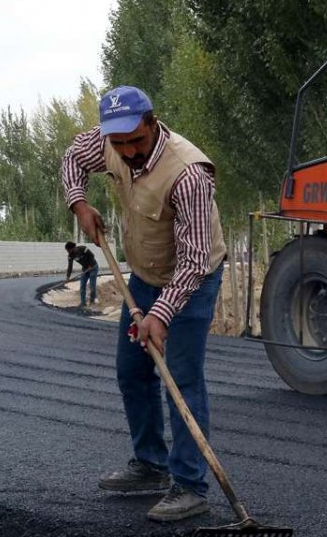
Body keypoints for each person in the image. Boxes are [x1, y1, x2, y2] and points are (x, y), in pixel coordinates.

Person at [61, 85, 225, 523]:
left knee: (182, 379)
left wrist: (161, 314)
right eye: (119, 143)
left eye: (136, 140)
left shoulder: (188, 174)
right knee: (132, 371)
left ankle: (190, 485)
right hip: (145, 276)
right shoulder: (107, 144)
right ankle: (151, 463)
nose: (129, 151)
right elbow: (72, 157)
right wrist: (79, 203)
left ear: (152, 123)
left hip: (192, 280)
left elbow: (194, 261)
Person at [64, 241, 99, 310]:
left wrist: (90, 265)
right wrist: (68, 277)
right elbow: (70, 266)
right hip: (85, 269)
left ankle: (92, 301)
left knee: (92, 285)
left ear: (72, 248)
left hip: (93, 268)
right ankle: (83, 303)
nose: (68, 252)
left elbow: (92, 255)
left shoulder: (83, 248)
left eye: (68, 250)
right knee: (82, 286)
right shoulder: (70, 256)